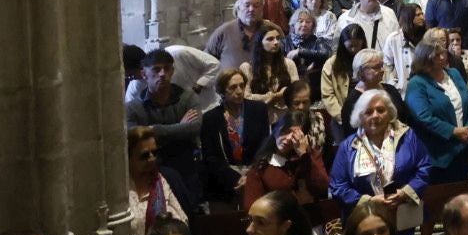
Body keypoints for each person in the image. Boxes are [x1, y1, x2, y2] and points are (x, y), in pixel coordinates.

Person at [330, 89, 432, 235]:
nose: (375, 116)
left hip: (401, 214)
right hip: (364, 221)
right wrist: (369, 201)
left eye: (380, 110)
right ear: (360, 117)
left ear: (390, 113)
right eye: (369, 112)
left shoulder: (408, 136)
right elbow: (338, 186)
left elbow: (425, 168)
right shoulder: (348, 146)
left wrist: (404, 193)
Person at [124, 50, 203, 201]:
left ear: (172, 71)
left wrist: (153, 130)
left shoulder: (187, 98)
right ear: (144, 73)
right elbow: (132, 135)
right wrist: (179, 128)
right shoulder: (134, 107)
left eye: (167, 69)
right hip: (151, 168)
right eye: (156, 69)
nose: (162, 74)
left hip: (185, 166)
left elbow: (194, 128)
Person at [404, 41, 468, 184]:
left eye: (443, 53)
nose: (443, 57)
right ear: (425, 59)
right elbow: (424, 117)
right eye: (437, 55)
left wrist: (467, 128)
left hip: (463, 147)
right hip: (438, 155)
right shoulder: (417, 83)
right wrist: (454, 131)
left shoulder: (454, 74)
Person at [199, 68, 272, 205]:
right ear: (222, 91)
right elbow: (211, 157)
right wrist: (236, 178)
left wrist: (251, 176)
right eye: (232, 87)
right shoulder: (211, 118)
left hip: (255, 173)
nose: (239, 91)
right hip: (226, 179)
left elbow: (265, 147)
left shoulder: (258, 109)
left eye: (242, 86)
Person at [242, 110, 329, 207]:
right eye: (285, 132)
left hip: (309, 215)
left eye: (295, 135)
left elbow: (323, 188)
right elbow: (252, 206)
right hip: (275, 217)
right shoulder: (262, 165)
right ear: (275, 132)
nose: (288, 138)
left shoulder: (310, 156)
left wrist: (304, 156)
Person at [126, 127, 191, 235]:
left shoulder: (165, 179)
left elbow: (183, 223)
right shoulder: (119, 190)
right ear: (129, 158)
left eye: (154, 153)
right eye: (145, 155)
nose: (152, 159)